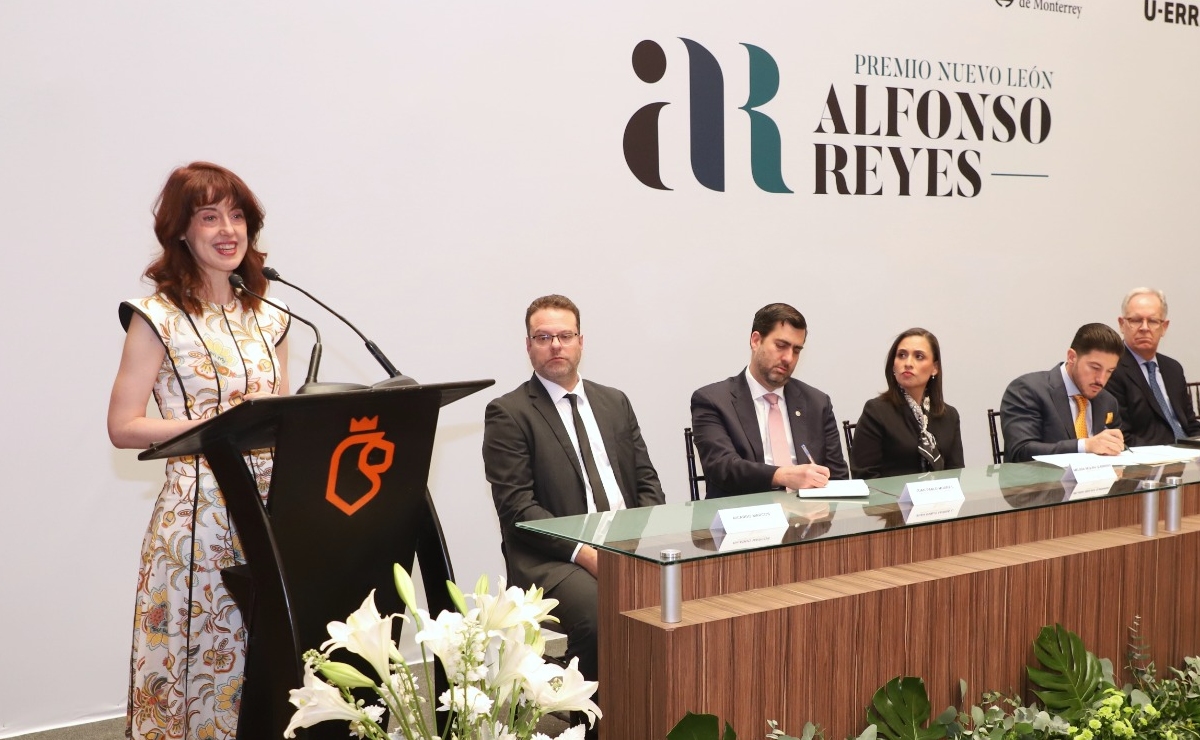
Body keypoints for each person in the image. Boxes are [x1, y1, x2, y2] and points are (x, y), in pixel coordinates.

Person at [107, 162, 290, 739]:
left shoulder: (274, 318)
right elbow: (124, 425)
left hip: (269, 513)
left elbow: (280, 419)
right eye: (209, 217)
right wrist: (214, 424)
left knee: (262, 667)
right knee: (199, 665)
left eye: (237, 216)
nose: (227, 229)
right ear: (181, 231)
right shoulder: (156, 315)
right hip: (197, 520)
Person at [482, 294, 664, 684]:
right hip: (551, 559)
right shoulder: (509, 412)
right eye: (543, 337)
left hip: (625, 543)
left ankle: (661, 708)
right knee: (605, 612)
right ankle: (596, 720)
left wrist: (641, 539)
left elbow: (647, 483)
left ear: (581, 341)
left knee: (690, 597)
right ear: (528, 346)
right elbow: (517, 510)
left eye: (565, 335)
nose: (556, 345)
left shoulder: (615, 402)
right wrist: (586, 552)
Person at [690, 302, 848, 498]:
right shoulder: (713, 400)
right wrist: (782, 475)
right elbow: (722, 468)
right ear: (756, 341)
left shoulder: (817, 402)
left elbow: (838, 475)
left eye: (797, 350)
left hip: (809, 518)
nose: (789, 358)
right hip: (744, 514)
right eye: (781, 346)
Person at [1000, 323, 1124, 463]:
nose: (1101, 380)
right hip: (1041, 483)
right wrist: (1085, 445)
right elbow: (1021, 451)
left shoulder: (1108, 401)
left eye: (1109, 371)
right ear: (1072, 357)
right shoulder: (1026, 390)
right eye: (1095, 368)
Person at [851, 328, 964, 479]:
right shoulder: (876, 412)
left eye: (919, 356)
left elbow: (956, 474)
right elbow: (865, 476)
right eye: (902, 355)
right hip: (891, 501)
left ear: (934, 368)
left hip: (940, 501)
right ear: (893, 365)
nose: (908, 363)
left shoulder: (949, 416)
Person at [1105, 288, 1200, 446]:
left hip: (1187, 458)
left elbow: (1190, 424)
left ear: (1164, 327)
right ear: (1122, 324)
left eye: (1153, 321)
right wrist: (1175, 451)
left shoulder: (1173, 368)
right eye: (1136, 320)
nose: (1144, 328)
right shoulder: (1111, 369)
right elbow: (1122, 436)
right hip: (1150, 462)